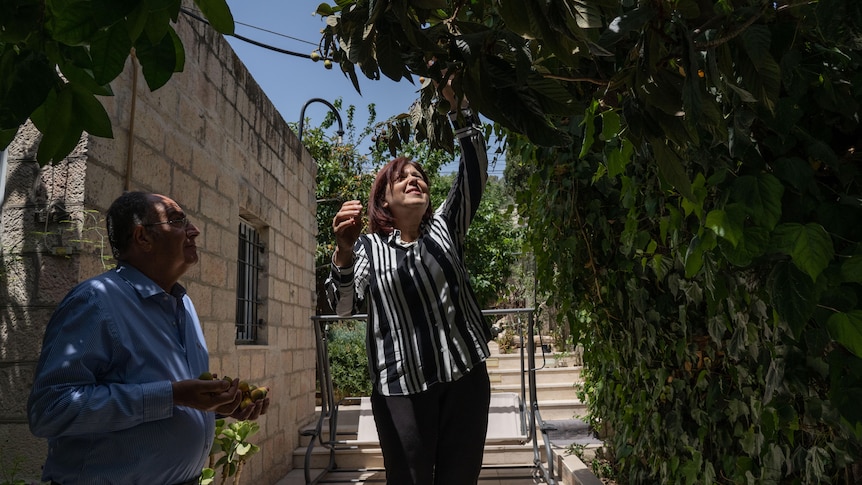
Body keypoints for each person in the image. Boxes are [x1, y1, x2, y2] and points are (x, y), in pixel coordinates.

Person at [27, 191, 269, 485]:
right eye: (178, 221)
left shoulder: (183, 304)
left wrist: (218, 406)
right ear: (142, 237)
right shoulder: (96, 302)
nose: (194, 230)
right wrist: (173, 395)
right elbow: (51, 409)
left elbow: (170, 403)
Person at [326, 80, 493, 484]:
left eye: (419, 175)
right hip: (401, 388)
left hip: (465, 377)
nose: (415, 179)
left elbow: (473, 173)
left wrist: (460, 107)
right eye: (402, 178)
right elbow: (344, 308)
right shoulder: (366, 247)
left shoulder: (445, 227)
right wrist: (343, 253)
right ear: (384, 200)